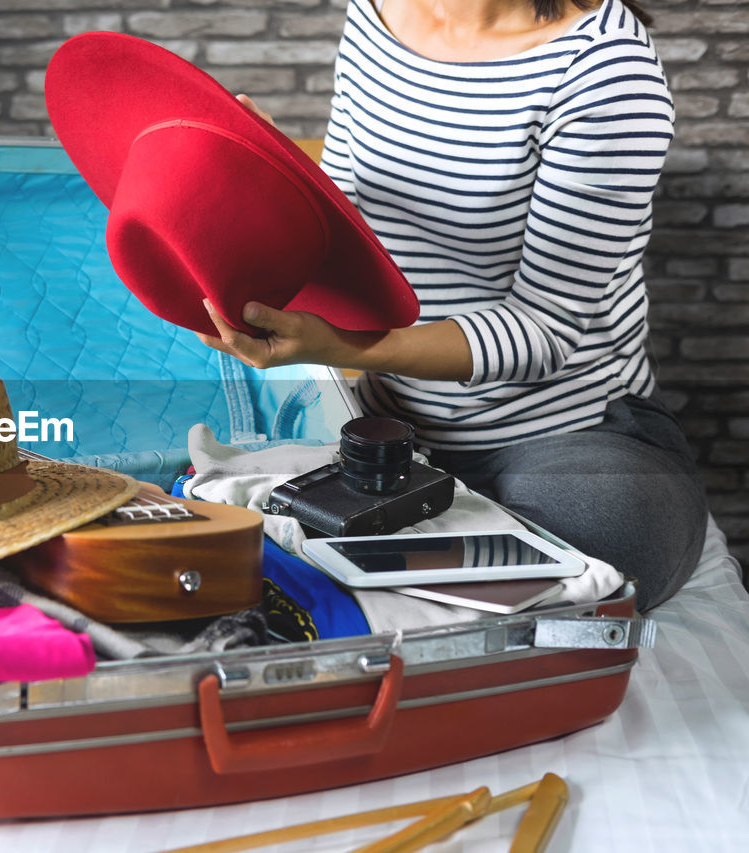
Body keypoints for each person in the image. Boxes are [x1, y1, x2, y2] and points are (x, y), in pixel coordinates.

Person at [198, 0, 707, 611]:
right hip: (396, 426)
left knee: (607, 536)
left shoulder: (606, 70)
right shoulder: (374, 14)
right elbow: (353, 228)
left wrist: (341, 346)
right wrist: (277, 174)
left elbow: (541, 333)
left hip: (567, 432)